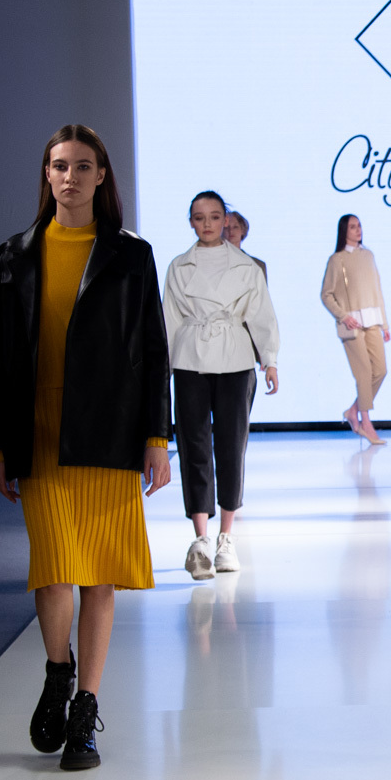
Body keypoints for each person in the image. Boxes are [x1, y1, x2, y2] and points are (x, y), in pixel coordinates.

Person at [0, 124, 172, 772]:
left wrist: (156, 438)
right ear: (47, 174)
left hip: (109, 430)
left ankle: (85, 711)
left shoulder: (130, 255)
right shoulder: (13, 255)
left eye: (83, 166)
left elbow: (152, 351)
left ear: (101, 176)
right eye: (60, 165)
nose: (70, 176)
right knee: (53, 567)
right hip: (38, 429)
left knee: (99, 575)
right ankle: (57, 671)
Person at [165, 191, 280, 580]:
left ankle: (226, 538)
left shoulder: (246, 266)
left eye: (215, 217)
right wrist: (163, 367)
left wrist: (270, 360)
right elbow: (169, 318)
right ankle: (200, 539)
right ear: (191, 222)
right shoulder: (179, 266)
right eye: (200, 217)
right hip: (190, 357)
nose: (208, 224)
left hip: (235, 358)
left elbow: (261, 314)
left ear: (225, 220)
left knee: (231, 446)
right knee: (193, 445)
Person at [321, 214, 391, 444]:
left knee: (380, 370)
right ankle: (365, 422)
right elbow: (326, 294)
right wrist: (343, 316)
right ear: (344, 230)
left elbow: (377, 290)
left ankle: (353, 410)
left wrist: (385, 324)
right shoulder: (337, 260)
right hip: (351, 325)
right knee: (363, 373)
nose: (358, 230)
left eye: (359, 225)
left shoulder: (368, 255)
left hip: (373, 321)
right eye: (352, 227)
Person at [224, 210, 267, 275]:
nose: (231, 231)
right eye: (226, 228)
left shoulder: (257, 265)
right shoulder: (213, 261)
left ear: (242, 230)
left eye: (235, 227)